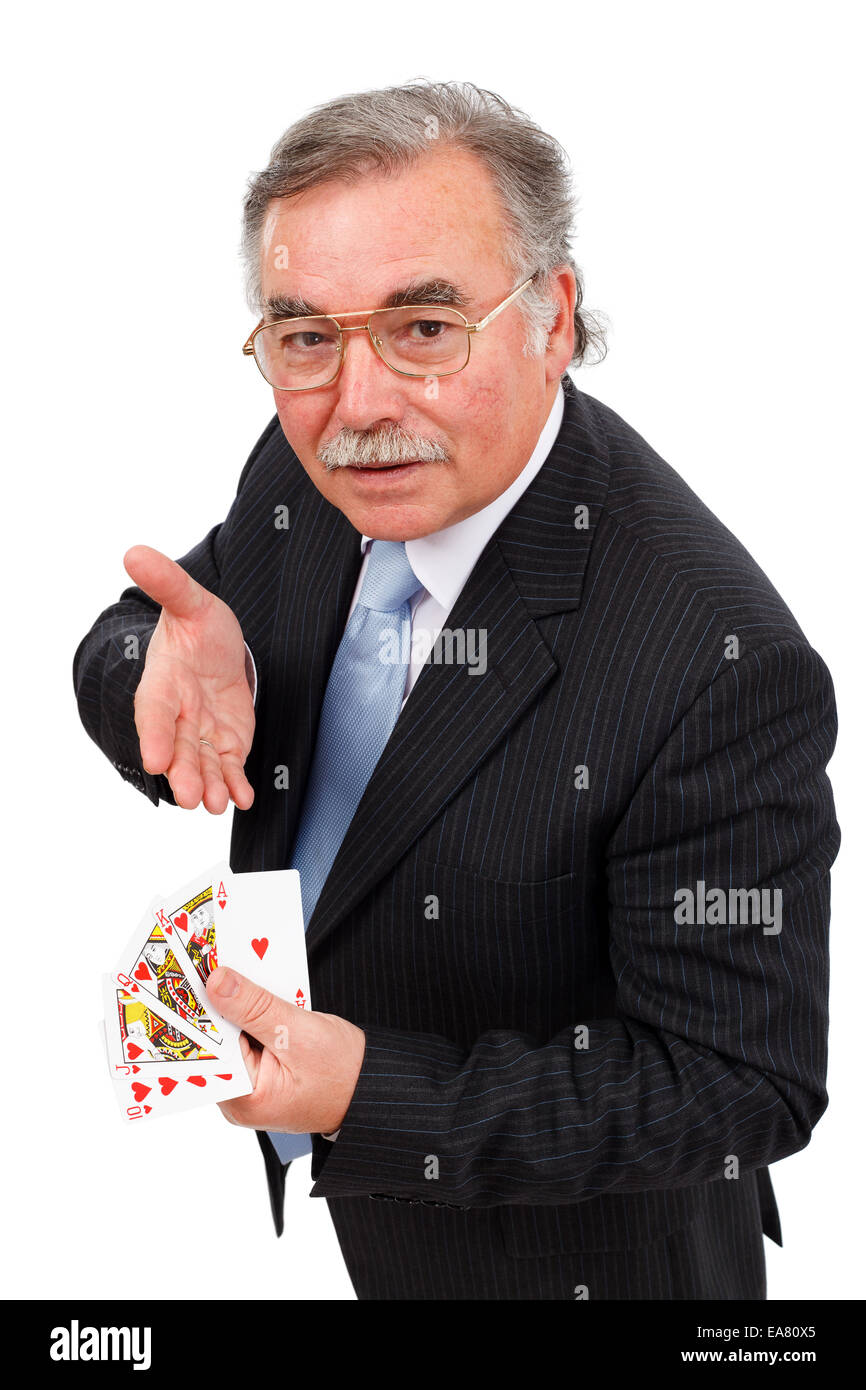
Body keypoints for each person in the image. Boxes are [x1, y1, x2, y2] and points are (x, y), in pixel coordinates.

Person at [73, 80, 840, 1300]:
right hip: (371, 1231)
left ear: (552, 316)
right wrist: (139, 676)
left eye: (425, 327)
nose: (359, 405)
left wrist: (365, 1095)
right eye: (306, 335)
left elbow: (741, 1082)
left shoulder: (714, 665)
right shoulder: (305, 452)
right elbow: (154, 631)